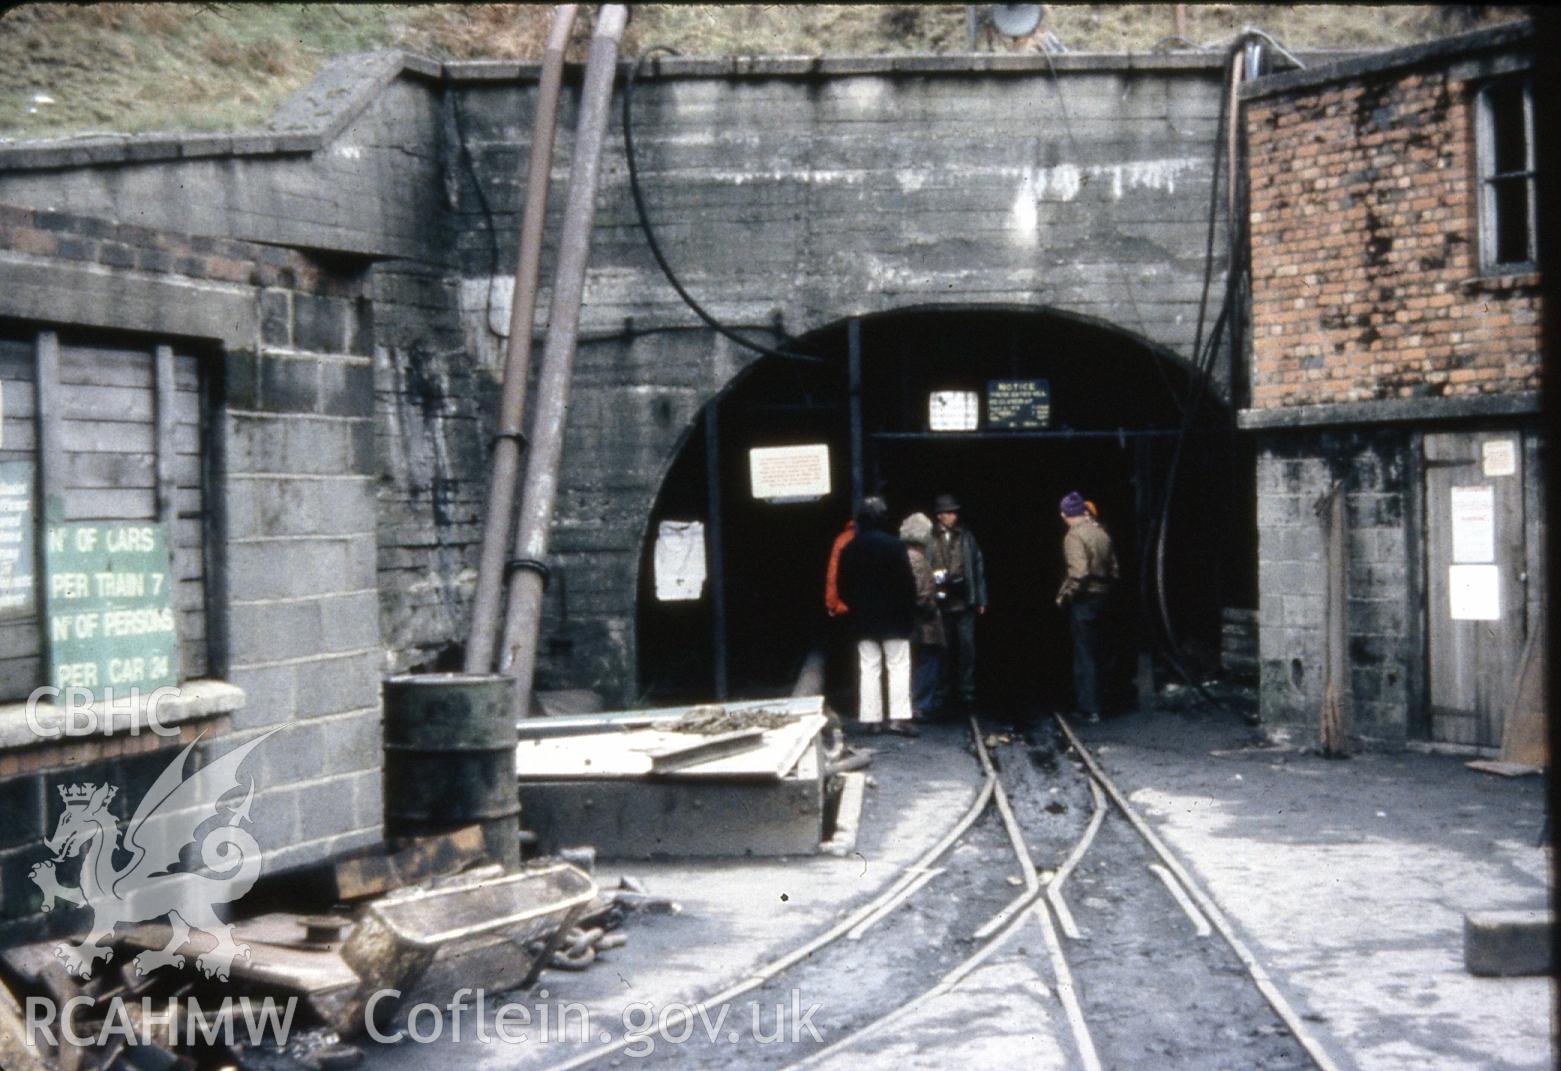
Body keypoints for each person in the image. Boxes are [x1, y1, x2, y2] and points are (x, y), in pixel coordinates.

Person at [837, 497, 919, 736]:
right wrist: (907, 609)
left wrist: (857, 606)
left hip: (863, 618)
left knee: (869, 667)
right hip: (895, 618)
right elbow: (907, 584)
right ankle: (899, 719)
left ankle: (872, 720)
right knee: (898, 666)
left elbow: (842, 586)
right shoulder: (895, 546)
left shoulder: (850, 548)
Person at [1055, 490, 1119, 723]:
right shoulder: (1101, 533)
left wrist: (1066, 597)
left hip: (1085, 601)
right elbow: (1114, 570)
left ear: (1065, 515)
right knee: (1100, 650)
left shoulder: (1074, 536)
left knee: (1084, 655)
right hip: (1103, 599)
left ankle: (1088, 708)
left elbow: (1079, 574)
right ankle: (1103, 701)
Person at [927, 494, 987, 711]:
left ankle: (966, 691)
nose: (953, 516)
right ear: (940, 515)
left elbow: (978, 567)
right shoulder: (930, 537)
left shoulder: (966, 536)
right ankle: (943, 691)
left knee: (967, 648)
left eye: (954, 512)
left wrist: (980, 598)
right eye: (949, 512)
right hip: (941, 604)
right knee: (943, 650)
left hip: (964, 602)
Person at [898, 512, 945, 721]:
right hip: (923, 623)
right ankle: (920, 705)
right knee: (927, 663)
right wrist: (930, 604)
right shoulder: (917, 559)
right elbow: (917, 592)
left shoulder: (903, 555)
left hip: (912, 622)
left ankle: (915, 704)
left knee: (917, 662)